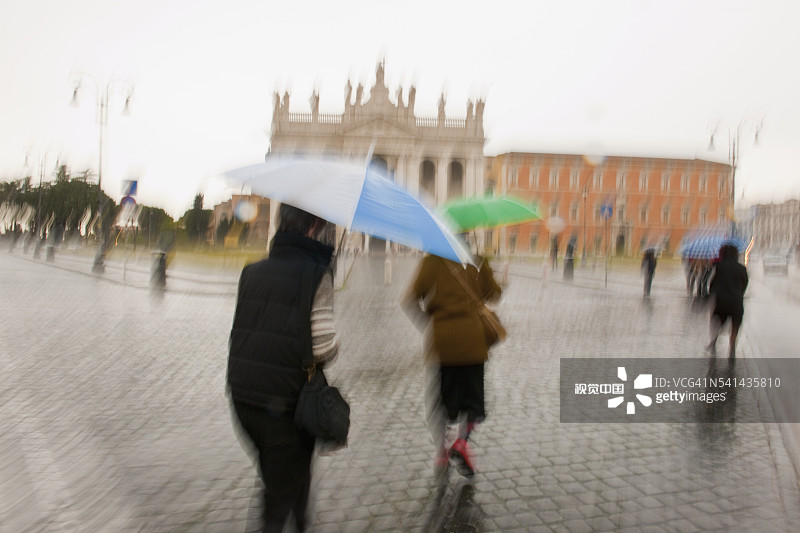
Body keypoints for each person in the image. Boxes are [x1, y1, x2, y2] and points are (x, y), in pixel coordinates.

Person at [227, 204, 339, 532]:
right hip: (284, 408)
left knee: (290, 475)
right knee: (276, 503)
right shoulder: (317, 274)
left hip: (243, 399)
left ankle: (303, 523)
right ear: (314, 226)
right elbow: (324, 349)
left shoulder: (252, 270)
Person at [402, 250, 503, 479]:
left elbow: (410, 300)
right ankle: (462, 442)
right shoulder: (477, 260)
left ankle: (442, 451)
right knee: (473, 400)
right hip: (473, 342)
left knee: (443, 400)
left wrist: (431, 322)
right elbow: (494, 295)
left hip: (444, 343)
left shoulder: (432, 262)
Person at [706, 244, 748, 358]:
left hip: (721, 302)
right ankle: (732, 347)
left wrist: (712, 294)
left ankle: (713, 343)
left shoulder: (719, 266)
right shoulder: (741, 268)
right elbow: (744, 284)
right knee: (735, 325)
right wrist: (739, 293)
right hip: (736, 302)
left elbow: (712, 285)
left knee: (717, 323)